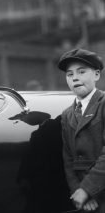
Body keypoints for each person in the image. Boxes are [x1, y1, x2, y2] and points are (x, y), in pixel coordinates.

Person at [58, 48, 105, 212]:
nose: (75, 77)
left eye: (82, 71)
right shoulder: (67, 114)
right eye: (69, 74)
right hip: (84, 198)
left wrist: (87, 189)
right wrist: (77, 190)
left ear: (97, 75)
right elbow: (68, 158)